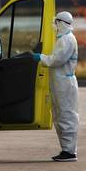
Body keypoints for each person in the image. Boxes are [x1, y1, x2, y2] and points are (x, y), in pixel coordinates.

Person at [32, 11, 79, 162]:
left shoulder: (67, 40)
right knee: (60, 115)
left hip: (65, 84)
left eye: (56, 23)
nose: (55, 26)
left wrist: (41, 58)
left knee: (66, 115)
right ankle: (66, 150)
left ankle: (70, 151)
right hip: (61, 83)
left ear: (60, 23)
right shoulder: (64, 39)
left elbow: (55, 60)